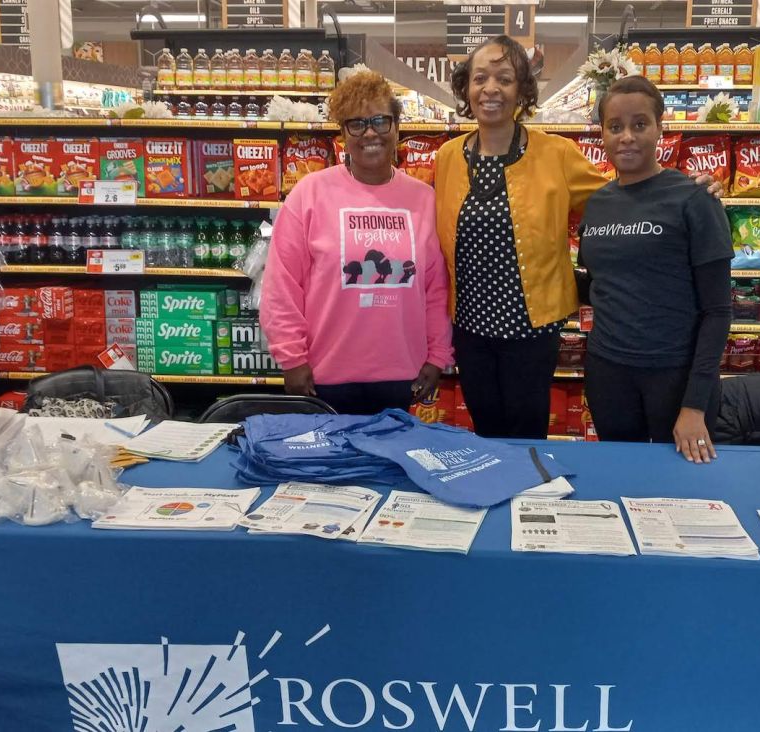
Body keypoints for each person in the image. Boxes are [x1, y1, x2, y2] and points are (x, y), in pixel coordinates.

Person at [436, 36, 722, 439]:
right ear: (466, 87)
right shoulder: (448, 157)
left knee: (526, 437)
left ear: (522, 89)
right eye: (480, 77)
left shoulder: (556, 153)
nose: (491, 88)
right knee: (484, 431)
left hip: (532, 330)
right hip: (469, 328)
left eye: (505, 78)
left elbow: (622, 196)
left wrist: (688, 191)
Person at [260, 71, 452, 415]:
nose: (370, 133)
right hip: (324, 376)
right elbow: (281, 285)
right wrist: (291, 357)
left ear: (396, 127)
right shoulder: (310, 193)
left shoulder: (424, 198)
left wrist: (438, 356)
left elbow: (436, 289)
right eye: (357, 124)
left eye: (380, 121)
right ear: (342, 132)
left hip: (403, 375)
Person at [577, 76, 732, 463]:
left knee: (682, 495)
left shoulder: (695, 198)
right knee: (621, 476)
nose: (627, 136)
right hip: (608, 372)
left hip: (675, 376)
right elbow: (600, 285)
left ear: (660, 129)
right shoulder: (597, 205)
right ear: (603, 135)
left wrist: (695, 405)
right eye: (615, 127)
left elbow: (718, 311)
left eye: (639, 124)